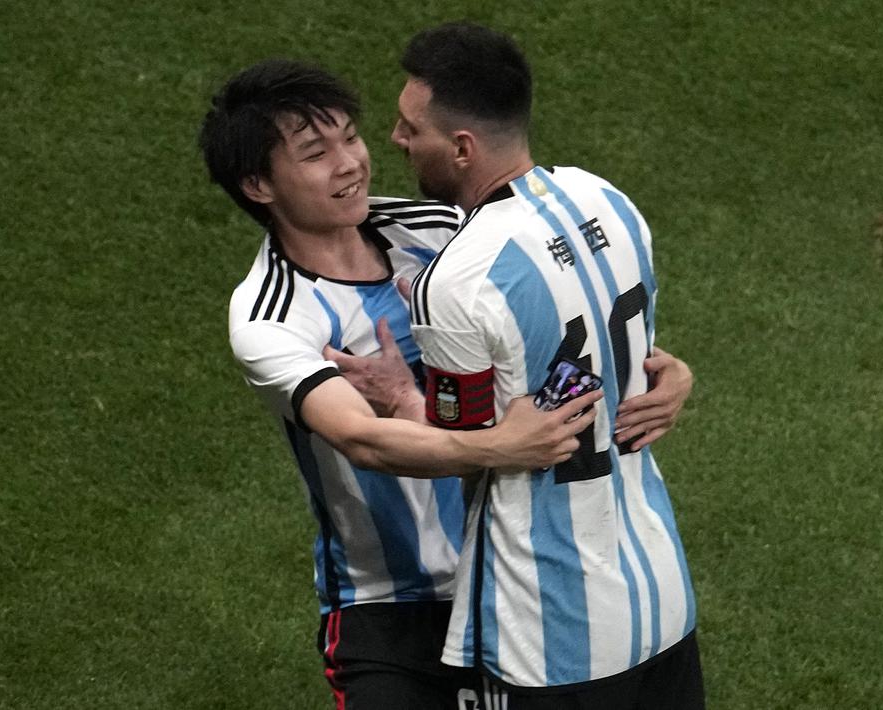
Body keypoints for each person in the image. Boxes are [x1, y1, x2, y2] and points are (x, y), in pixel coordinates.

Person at [197, 59, 692, 709]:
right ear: (258, 184)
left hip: (512, 576)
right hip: (390, 604)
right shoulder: (272, 316)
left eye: (350, 137)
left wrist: (664, 366)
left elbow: (554, 321)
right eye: (316, 153)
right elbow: (364, 440)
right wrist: (498, 448)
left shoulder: (437, 230)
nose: (350, 162)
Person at [381, 22, 706, 708]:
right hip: (658, 592)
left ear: (461, 148)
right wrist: (678, 377)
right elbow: (638, 364)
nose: (396, 140)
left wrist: (399, 396)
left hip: (552, 629)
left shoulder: (458, 281)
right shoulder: (607, 200)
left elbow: (470, 453)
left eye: (411, 128)